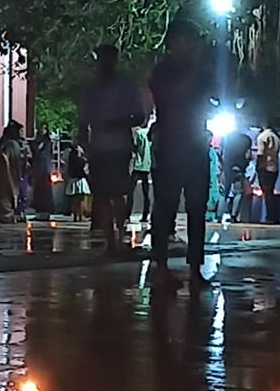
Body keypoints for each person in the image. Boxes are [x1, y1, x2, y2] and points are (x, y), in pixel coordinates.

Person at [146, 17, 216, 286]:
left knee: (197, 208)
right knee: (165, 207)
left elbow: (215, 97)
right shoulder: (163, 71)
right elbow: (169, 96)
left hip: (196, 145)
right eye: (186, 40)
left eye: (193, 41)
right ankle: (161, 265)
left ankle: (195, 268)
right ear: (173, 42)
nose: (191, 46)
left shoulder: (201, 72)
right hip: (171, 146)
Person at [79, 43, 144, 253]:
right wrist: (84, 143)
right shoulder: (91, 88)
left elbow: (140, 116)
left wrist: (118, 122)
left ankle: (119, 234)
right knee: (103, 195)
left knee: (116, 194)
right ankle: (111, 240)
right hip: (99, 147)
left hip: (118, 147)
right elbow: (82, 118)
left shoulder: (126, 87)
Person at [0, 121, 27, 221]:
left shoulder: (6, 142)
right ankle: (5, 214)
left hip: (4, 175)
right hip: (7, 175)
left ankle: (2, 214)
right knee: (6, 196)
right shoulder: (11, 144)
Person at [254, 126, 280, 225]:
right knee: (270, 192)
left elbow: (261, 154)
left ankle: (270, 217)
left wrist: (258, 167)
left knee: (267, 193)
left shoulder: (262, 137)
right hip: (274, 167)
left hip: (265, 167)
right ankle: (273, 216)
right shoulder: (277, 138)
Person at [28, 130, 57, 220]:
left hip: (43, 169)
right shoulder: (40, 143)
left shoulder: (46, 143)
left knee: (44, 191)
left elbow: (39, 154)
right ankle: (41, 212)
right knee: (41, 191)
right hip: (41, 169)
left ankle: (44, 212)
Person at [129, 121, 154, 224]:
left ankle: (127, 214)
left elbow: (136, 147)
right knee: (146, 193)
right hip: (147, 165)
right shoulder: (150, 133)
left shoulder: (139, 133)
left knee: (130, 191)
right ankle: (145, 215)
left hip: (138, 165)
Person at [65, 137, 91, 222]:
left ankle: (77, 215)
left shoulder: (71, 154)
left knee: (76, 198)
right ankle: (79, 215)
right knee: (79, 198)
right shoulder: (77, 156)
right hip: (79, 178)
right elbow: (82, 167)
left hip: (75, 178)